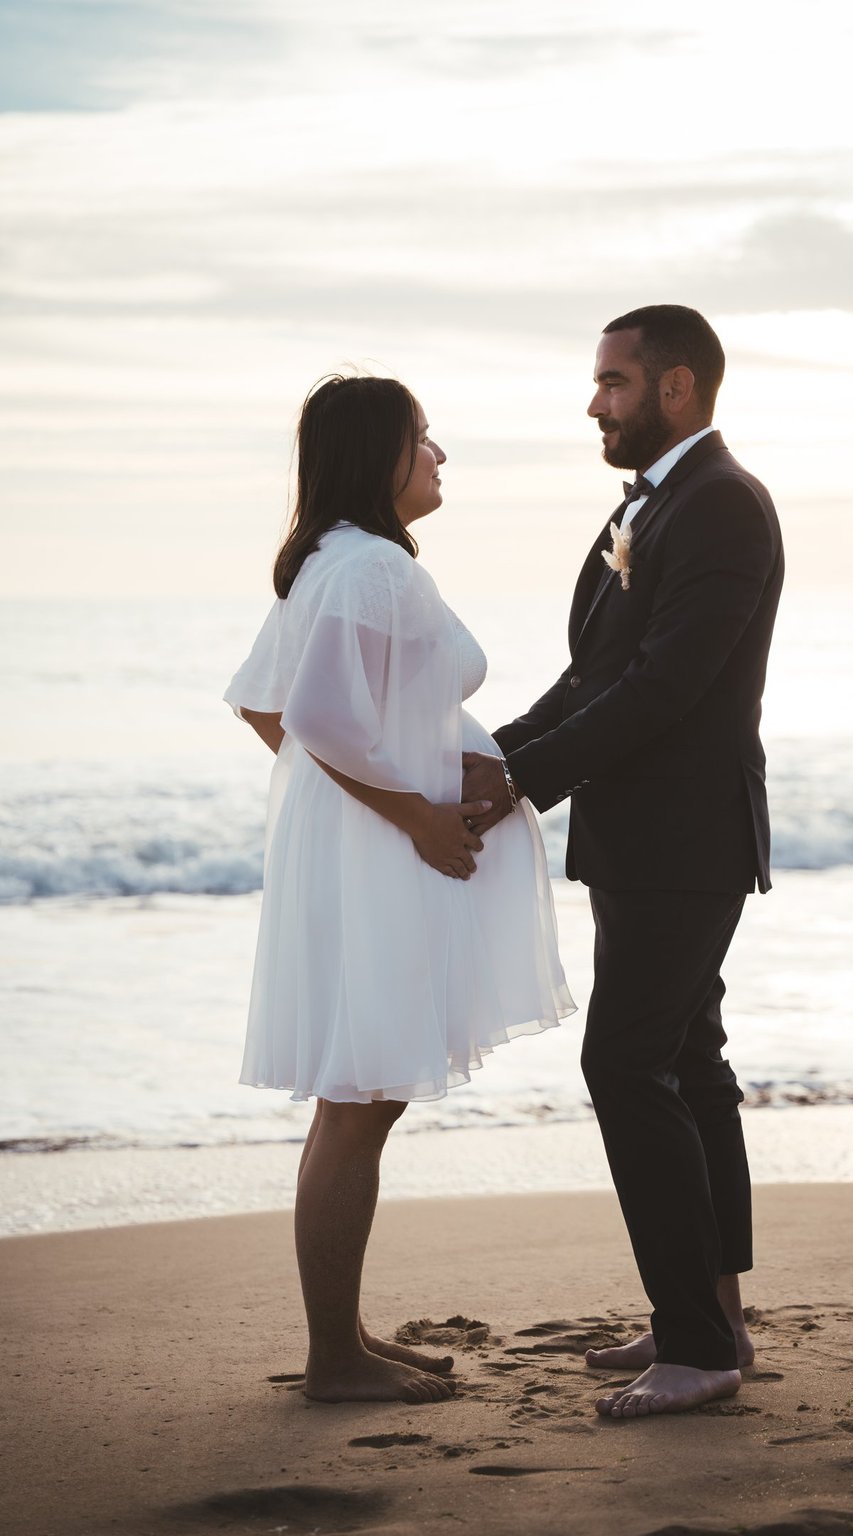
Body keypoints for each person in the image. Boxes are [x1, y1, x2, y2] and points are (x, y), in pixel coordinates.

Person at [225, 374, 574, 1406]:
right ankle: (335, 1356)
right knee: (359, 1102)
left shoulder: (332, 562)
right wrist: (409, 811)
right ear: (379, 454)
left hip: (359, 855)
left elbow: (265, 709)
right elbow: (321, 720)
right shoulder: (370, 570)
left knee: (359, 1103)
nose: (439, 455)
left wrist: (386, 782)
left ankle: (347, 1335)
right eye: (423, 438)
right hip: (383, 859)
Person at [462, 305, 784, 1419]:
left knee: (626, 1065)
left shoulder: (723, 509)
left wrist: (515, 782)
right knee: (689, 1066)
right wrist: (486, 755)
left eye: (611, 383)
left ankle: (695, 1347)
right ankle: (713, 1321)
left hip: (687, 843)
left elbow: (665, 689)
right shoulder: (647, 507)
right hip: (640, 842)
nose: (593, 403)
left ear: (676, 387)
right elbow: (596, 672)